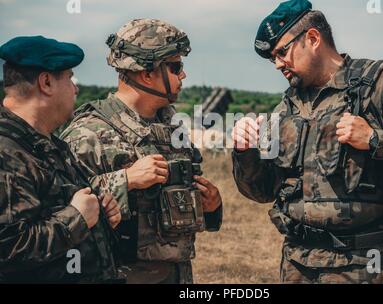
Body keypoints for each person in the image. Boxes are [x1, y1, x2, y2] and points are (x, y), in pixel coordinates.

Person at [232, 0, 383, 284]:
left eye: (282, 52)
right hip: (297, 260)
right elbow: (262, 192)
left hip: (360, 264)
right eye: (273, 56)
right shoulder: (287, 107)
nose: (277, 64)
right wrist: (244, 151)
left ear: (312, 38)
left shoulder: (379, 82)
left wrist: (375, 139)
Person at [60, 19, 223, 284]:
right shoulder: (88, 133)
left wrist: (212, 205)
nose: (183, 75)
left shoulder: (170, 128)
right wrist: (126, 180)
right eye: (175, 67)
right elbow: (61, 212)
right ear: (147, 73)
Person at [0, 36, 121, 283]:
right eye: (70, 78)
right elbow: (8, 248)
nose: (75, 88)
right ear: (46, 82)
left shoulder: (47, 144)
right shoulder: (7, 151)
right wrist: (76, 218)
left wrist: (99, 213)